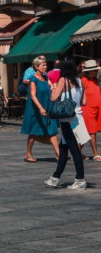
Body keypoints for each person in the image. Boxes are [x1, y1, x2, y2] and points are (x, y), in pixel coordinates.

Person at [45, 59, 87, 190]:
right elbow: (84, 102)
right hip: (77, 117)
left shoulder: (63, 80)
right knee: (63, 148)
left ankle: (80, 179)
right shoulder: (80, 81)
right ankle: (55, 177)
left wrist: (54, 88)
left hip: (66, 119)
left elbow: (53, 98)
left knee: (74, 149)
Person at [22, 56, 59, 162]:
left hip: (48, 107)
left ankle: (59, 154)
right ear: (36, 67)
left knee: (52, 130)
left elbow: (50, 89)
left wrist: (54, 87)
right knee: (33, 132)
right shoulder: (33, 79)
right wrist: (41, 108)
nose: (46, 67)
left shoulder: (46, 78)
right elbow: (33, 96)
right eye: (43, 65)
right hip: (37, 108)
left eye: (46, 65)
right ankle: (28, 154)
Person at [80, 60, 101, 161]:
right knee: (92, 131)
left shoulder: (94, 79)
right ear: (89, 71)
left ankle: (77, 152)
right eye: (95, 70)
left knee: (88, 131)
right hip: (87, 109)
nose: (97, 71)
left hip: (94, 109)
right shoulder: (84, 80)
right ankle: (96, 154)